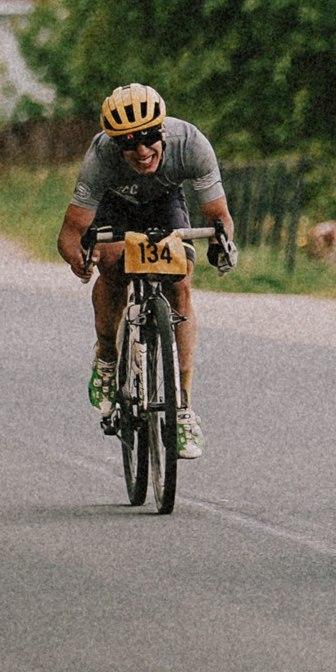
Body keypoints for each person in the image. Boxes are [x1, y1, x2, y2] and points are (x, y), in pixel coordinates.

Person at [56, 83, 237, 459]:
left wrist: (221, 245)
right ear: (115, 143)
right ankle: (107, 360)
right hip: (115, 206)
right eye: (129, 143)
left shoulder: (191, 144)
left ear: (164, 131)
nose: (141, 151)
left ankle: (182, 408)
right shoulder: (101, 157)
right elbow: (70, 233)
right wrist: (80, 258)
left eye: (150, 138)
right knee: (112, 265)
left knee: (181, 284)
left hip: (163, 202)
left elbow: (219, 219)